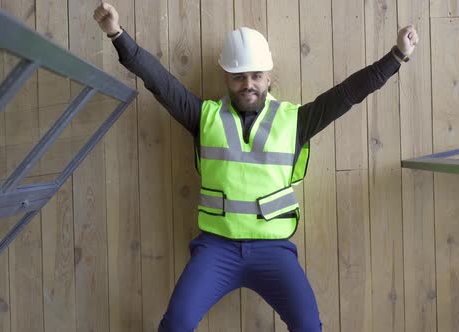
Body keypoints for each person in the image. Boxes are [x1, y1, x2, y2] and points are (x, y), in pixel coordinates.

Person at [94, 3, 418, 331]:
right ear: (227, 78)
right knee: (176, 323)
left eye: (256, 76)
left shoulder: (295, 121)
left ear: (269, 76)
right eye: (239, 76)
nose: (248, 83)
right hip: (216, 249)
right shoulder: (203, 117)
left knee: (309, 326)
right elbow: (158, 81)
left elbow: (349, 93)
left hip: (274, 252)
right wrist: (116, 34)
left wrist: (396, 56)